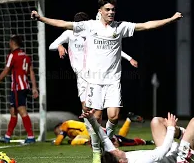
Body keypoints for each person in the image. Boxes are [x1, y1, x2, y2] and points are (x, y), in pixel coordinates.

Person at [31, 0, 183, 144]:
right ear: (100, 11)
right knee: (95, 117)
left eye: (113, 10)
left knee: (114, 116)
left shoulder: (120, 27)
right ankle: (97, 150)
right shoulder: (90, 26)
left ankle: (107, 141)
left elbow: (146, 25)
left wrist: (171, 19)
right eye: (107, 9)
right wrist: (41, 18)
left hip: (112, 80)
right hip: (93, 81)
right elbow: (63, 24)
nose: (111, 12)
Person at [49, 11, 139, 162]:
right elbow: (51, 45)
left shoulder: (92, 33)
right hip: (81, 78)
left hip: (95, 75)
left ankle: (104, 143)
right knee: (89, 112)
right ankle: (97, 147)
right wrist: (59, 45)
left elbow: (113, 48)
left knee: (104, 114)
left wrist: (129, 58)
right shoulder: (69, 33)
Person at [80, 110, 194, 163]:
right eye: (114, 152)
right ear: (120, 161)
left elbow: (104, 138)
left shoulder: (117, 157)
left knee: (156, 121)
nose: (114, 149)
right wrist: (171, 129)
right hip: (179, 159)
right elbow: (161, 152)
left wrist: (91, 119)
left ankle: (189, 135)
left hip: (170, 152)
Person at [0, 35, 39, 144]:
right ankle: (7, 137)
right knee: (13, 112)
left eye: (10, 42)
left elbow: (6, 71)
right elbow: (31, 72)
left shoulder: (13, 55)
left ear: (13, 43)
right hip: (24, 86)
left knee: (21, 110)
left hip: (18, 87)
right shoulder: (26, 56)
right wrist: (34, 87)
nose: (9, 44)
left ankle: (31, 137)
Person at [52, 113, 150, 147]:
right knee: (117, 138)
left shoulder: (65, 124)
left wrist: (55, 141)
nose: (58, 133)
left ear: (59, 127)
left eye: (57, 132)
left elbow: (58, 141)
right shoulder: (71, 127)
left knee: (74, 142)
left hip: (90, 131)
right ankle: (128, 120)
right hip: (90, 130)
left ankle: (88, 142)